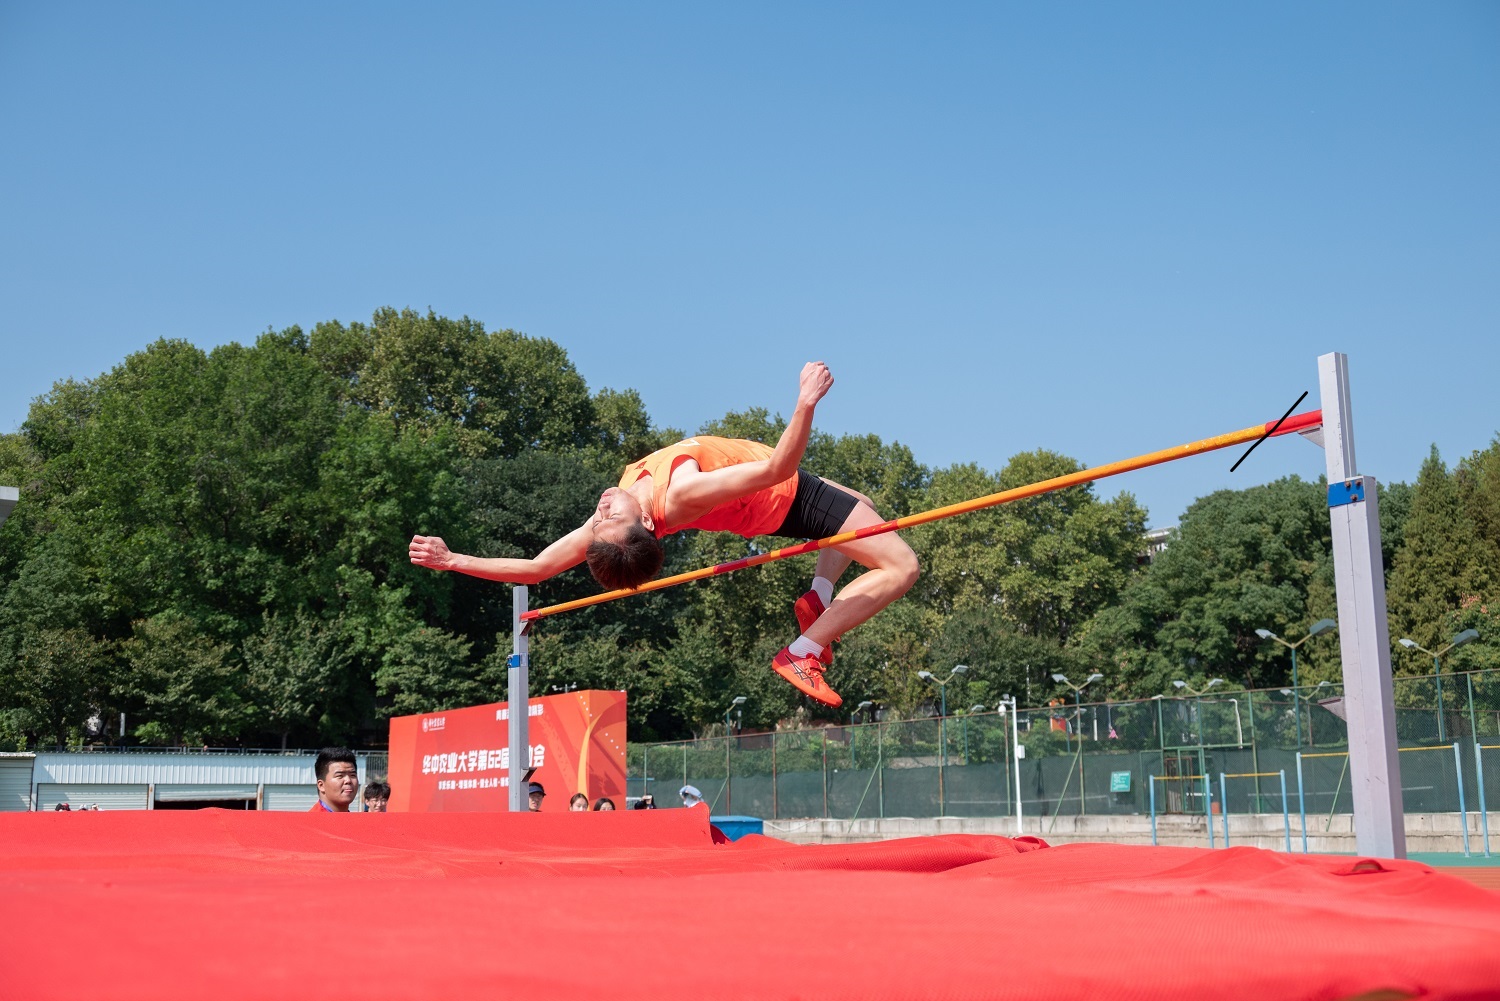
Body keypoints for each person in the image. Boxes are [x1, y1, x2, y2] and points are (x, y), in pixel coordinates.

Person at [410, 362, 919, 709]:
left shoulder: (614, 518)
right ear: (648, 524)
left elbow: (537, 569)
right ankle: (804, 649)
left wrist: (453, 559)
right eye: (608, 518)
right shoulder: (680, 495)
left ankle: (818, 597)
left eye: (602, 517)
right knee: (901, 566)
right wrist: (806, 401)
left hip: (783, 497)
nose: (601, 508)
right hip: (789, 496)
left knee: (864, 506)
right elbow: (778, 467)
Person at [309, 748, 359, 813]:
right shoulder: (312, 821)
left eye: (352, 775)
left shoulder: (357, 821)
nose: (348, 780)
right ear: (321, 785)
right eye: (340, 776)